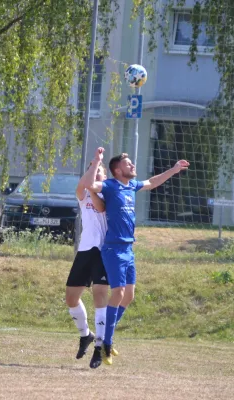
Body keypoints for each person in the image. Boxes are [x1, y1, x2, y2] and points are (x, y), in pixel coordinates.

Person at [85, 148, 189, 365]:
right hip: (113, 249)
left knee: (129, 296)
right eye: (128, 163)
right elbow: (90, 186)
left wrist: (174, 169)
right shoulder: (111, 186)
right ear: (117, 170)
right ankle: (106, 343)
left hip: (128, 249)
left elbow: (152, 182)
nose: (132, 166)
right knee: (119, 292)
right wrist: (96, 162)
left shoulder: (131, 184)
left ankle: (106, 337)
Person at [66, 162, 115, 369]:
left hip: (103, 250)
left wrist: (94, 187)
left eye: (99, 174)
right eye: (92, 173)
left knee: (99, 294)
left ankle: (99, 346)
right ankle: (86, 335)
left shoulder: (108, 194)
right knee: (71, 298)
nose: (95, 177)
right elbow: (81, 187)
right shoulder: (82, 193)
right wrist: (94, 164)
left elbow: (100, 207)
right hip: (85, 249)